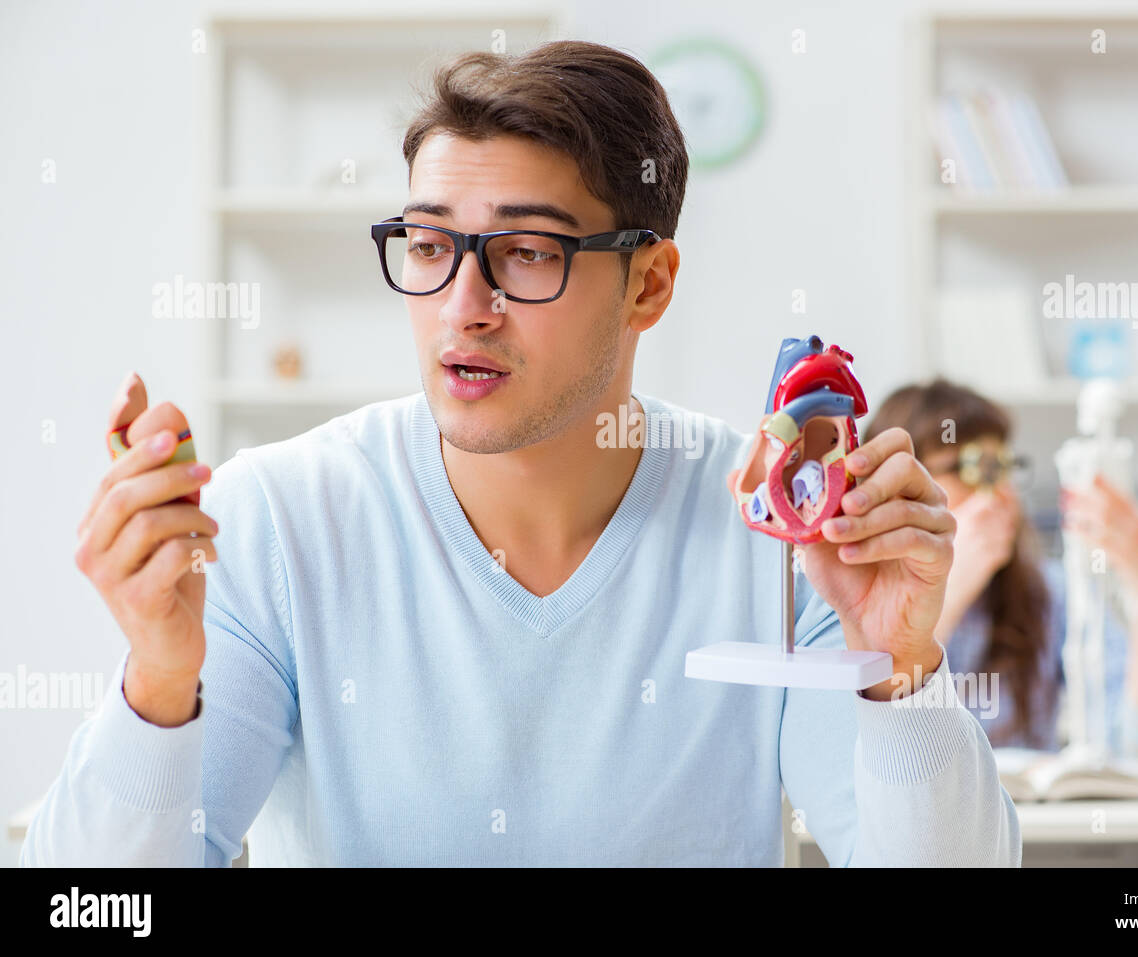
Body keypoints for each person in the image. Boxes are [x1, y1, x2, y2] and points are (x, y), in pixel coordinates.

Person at [22, 41, 1018, 867]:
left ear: (648, 285)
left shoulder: (784, 542)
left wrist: (900, 670)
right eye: (427, 245)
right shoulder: (280, 520)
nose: (465, 306)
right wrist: (157, 681)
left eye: (529, 252)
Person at [863, 379, 1138, 762]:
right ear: (898, 487)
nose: (998, 493)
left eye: (1002, 467)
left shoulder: (1050, 594)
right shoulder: (855, 604)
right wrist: (946, 590)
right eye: (970, 469)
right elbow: (869, 753)